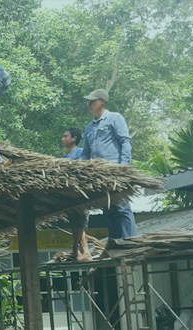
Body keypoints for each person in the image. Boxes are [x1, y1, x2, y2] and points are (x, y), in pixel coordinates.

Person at [81, 89, 138, 239]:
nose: (90, 104)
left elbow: (125, 142)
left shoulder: (114, 118)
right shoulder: (89, 128)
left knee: (121, 206)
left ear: (102, 102)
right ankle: (116, 242)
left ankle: (129, 241)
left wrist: (123, 167)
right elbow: (85, 153)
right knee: (106, 209)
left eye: (93, 101)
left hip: (114, 171)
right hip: (98, 175)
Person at [63, 127, 92, 261]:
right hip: (69, 196)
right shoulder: (64, 158)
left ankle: (79, 250)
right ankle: (81, 252)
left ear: (74, 138)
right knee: (75, 223)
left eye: (66, 136)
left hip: (81, 193)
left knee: (80, 223)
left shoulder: (81, 153)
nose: (63, 139)